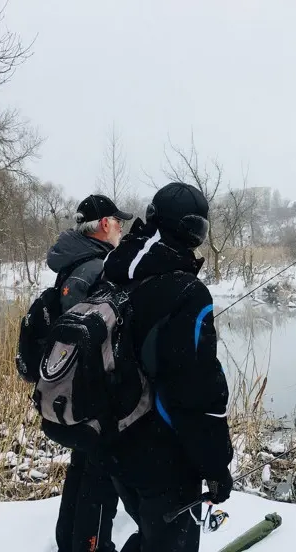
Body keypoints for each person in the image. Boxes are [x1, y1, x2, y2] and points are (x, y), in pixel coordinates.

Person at [102, 182, 234, 552]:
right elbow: (198, 391)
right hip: (164, 460)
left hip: (114, 444)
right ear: (193, 232)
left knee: (148, 535)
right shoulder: (187, 292)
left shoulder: (112, 271)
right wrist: (216, 466)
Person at [46, 193, 133, 552]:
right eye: (118, 222)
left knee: (82, 467)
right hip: (91, 393)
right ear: (103, 224)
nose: (121, 228)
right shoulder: (96, 267)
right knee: (98, 482)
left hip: (67, 389)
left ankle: (69, 542)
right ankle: (89, 546)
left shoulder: (72, 261)